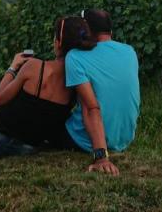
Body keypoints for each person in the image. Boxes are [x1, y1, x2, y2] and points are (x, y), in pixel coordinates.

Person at [0, 16, 95, 157]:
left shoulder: (35, 66)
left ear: (58, 43)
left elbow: (1, 98)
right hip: (26, 149)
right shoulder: (79, 82)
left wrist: (13, 67)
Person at [56, 9, 141, 176]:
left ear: (86, 30)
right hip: (123, 139)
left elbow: (90, 107)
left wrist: (101, 157)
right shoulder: (129, 51)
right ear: (110, 30)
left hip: (84, 141)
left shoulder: (75, 56)